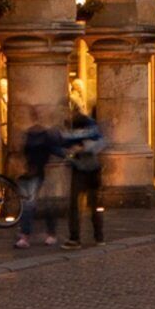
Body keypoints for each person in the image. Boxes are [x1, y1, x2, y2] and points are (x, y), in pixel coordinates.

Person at [10, 112, 62, 251]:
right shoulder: (29, 134)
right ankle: (26, 235)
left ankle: (37, 234)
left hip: (41, 173)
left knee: (41, 204)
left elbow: (56, 151)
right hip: (30, 173)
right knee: (29, 204)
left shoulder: (48, 134)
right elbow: (23, 153)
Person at [57, 103, 105, 247]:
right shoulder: (78, 125)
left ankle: (79, 238)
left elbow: (98, 142)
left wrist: (81, 148)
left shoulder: (83, 123)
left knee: (80, 205)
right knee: (90, 205)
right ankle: (97, 237)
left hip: (86, 169)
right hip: (87, 168)